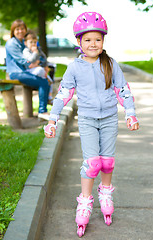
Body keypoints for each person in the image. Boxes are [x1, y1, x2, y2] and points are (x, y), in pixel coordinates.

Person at [44, 12, 139, 237]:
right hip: (87, 119)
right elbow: (63, 94)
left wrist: (131, 113)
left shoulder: (110, 64)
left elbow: (123, 90)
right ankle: (85, 201)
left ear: (103, 41)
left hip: (108, 119)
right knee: (92, 163)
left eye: (97, 39)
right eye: (87, 40)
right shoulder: (74, 67)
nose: (93, 44)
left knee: (107, 162)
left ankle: (105, 193)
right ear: (79, 42)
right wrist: (52, 118)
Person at [5, 19, 50, 120]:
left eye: (22, 29)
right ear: (13, 31)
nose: (20, 31)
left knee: (45, 80)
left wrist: (42, 64)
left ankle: (44, 107)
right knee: (43, 83)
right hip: (16, 73)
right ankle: (42, 111)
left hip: (25, 71)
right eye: (17, 29)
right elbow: (24, 61)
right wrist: (35, 63)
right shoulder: (11, 43)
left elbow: (39, 55)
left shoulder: (23, 42)